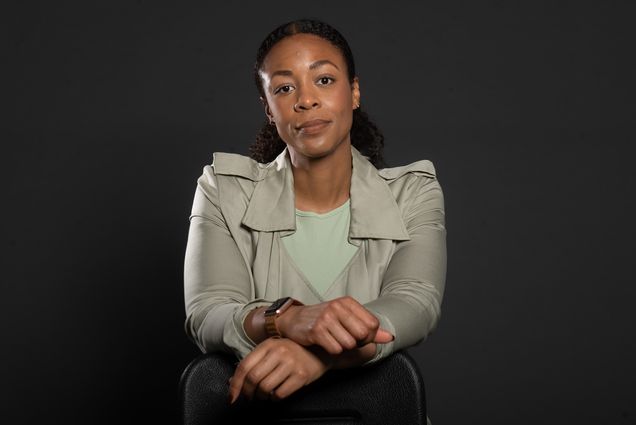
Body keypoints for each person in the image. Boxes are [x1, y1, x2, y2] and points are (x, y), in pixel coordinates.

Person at [183, 17, 447, 415]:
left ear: (354, 92)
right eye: (285, 88)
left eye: (324, 80)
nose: (306, 100)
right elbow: (207, 311)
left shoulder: (413, 193)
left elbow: (415, 303)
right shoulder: (222, 190)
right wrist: (286, 320)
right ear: (269, 109)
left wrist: (320, 360)